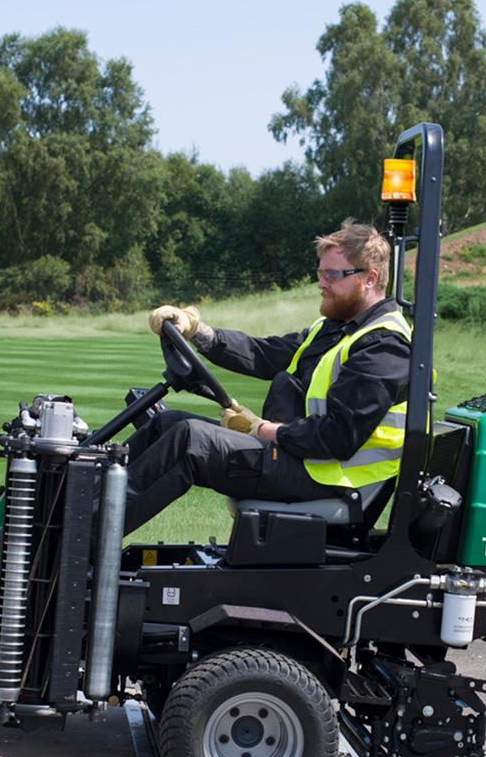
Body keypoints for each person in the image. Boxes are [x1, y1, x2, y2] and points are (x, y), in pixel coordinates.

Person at [122, 219, 411, 535]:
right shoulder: (334, 330)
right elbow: (263, 354)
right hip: (302, 462)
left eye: (332, 274)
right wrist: (197, 331)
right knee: (168, 423)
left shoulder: (384, 346)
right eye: (320, 272)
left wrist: (264, 430)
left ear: (369, 279)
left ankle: (81, 543)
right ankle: (74, 506)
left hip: (329, 481)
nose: (321, 283)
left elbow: (337, 437)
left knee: (191, 440)